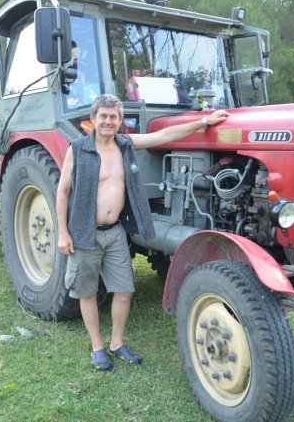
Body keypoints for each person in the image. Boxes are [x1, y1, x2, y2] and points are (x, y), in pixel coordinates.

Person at [56, 94, 229, 371]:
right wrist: (63, 233)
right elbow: (63, 191)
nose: (108, 121)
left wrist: (203, 121)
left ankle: (116, 343)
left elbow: (164, 135)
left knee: (124, 290)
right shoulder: (77, 149)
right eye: (104, 116)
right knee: (86, 292)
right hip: (84, 232)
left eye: (114, 117)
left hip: (115, 234)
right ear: (93, 119)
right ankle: (97, 347)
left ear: (120, 120)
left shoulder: (126, 145)